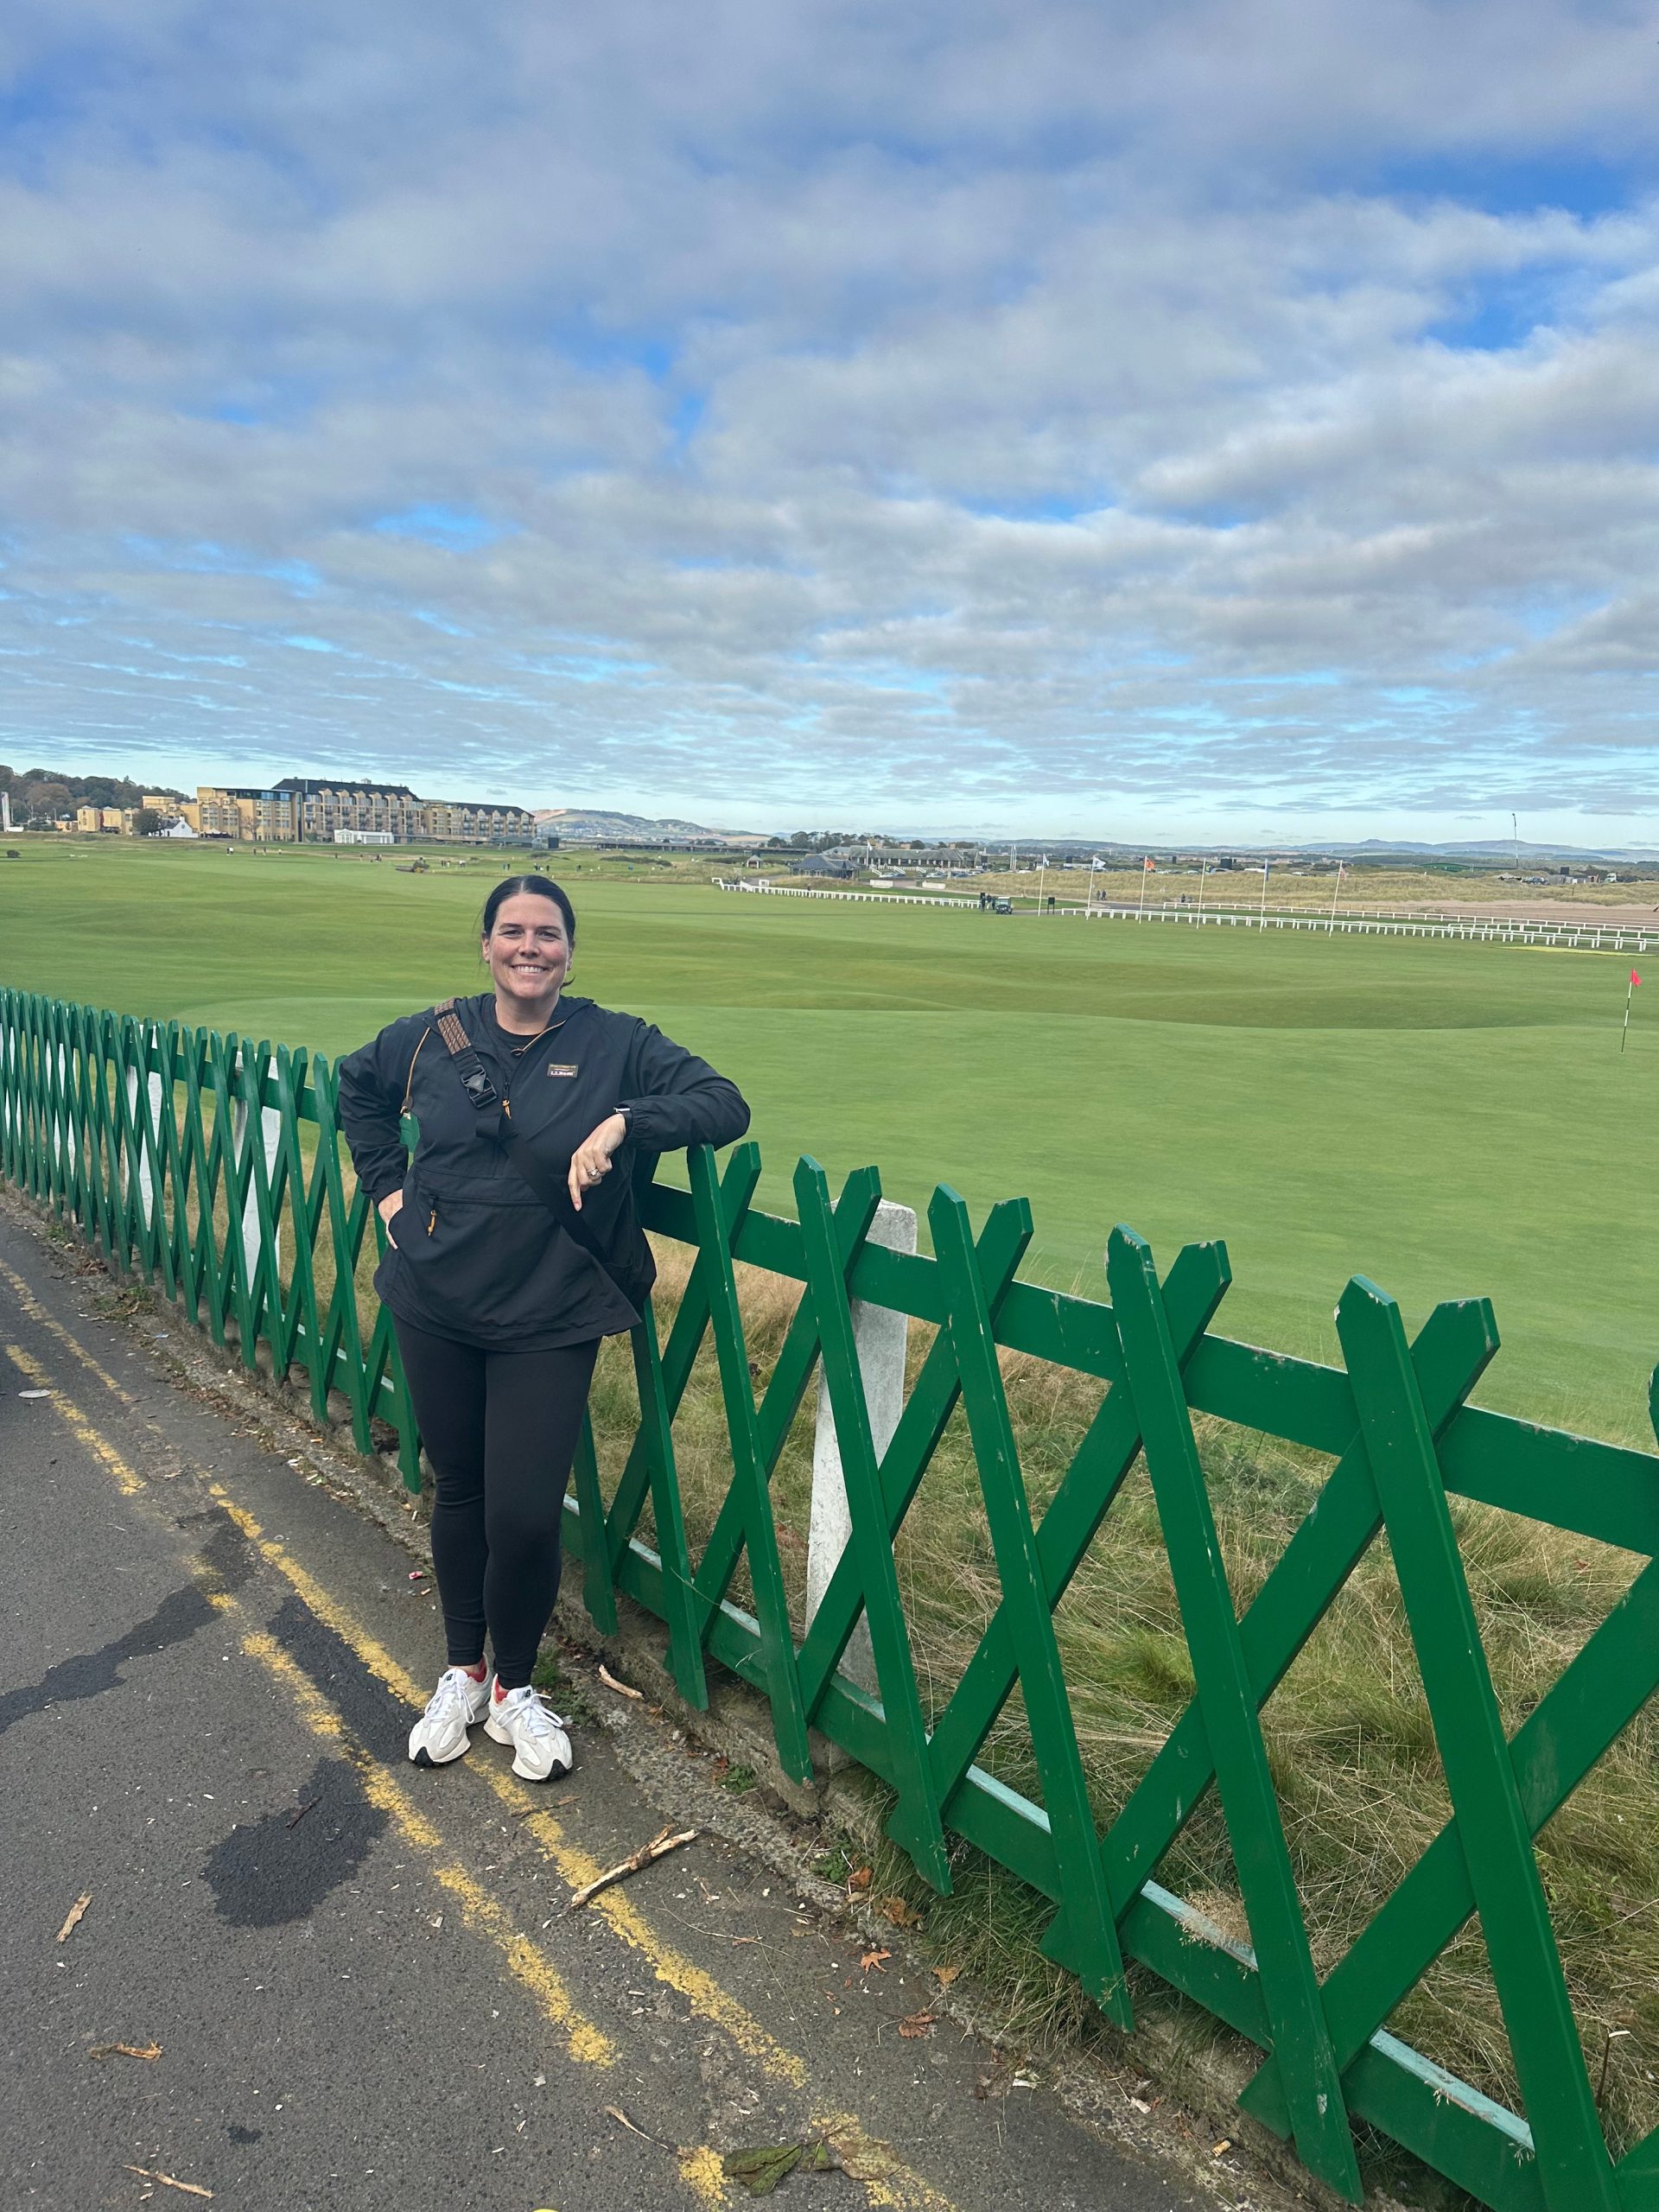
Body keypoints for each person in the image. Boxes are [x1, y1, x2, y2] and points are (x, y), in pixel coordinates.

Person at [338, 874, 749, 1781]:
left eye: (549, 934)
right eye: (513, 932)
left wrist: (626, 1121)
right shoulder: (430, 1038)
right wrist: (393, 1195)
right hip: (436, 1300)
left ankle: (515, 1687)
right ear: (484, 945)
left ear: (570, 950)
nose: (531, 948)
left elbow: (724, 1104)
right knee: (460, 1492)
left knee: (524, 1516)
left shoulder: (616, 1041)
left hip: (550, 1308)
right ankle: (463, 1670)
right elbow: (356, 1091)